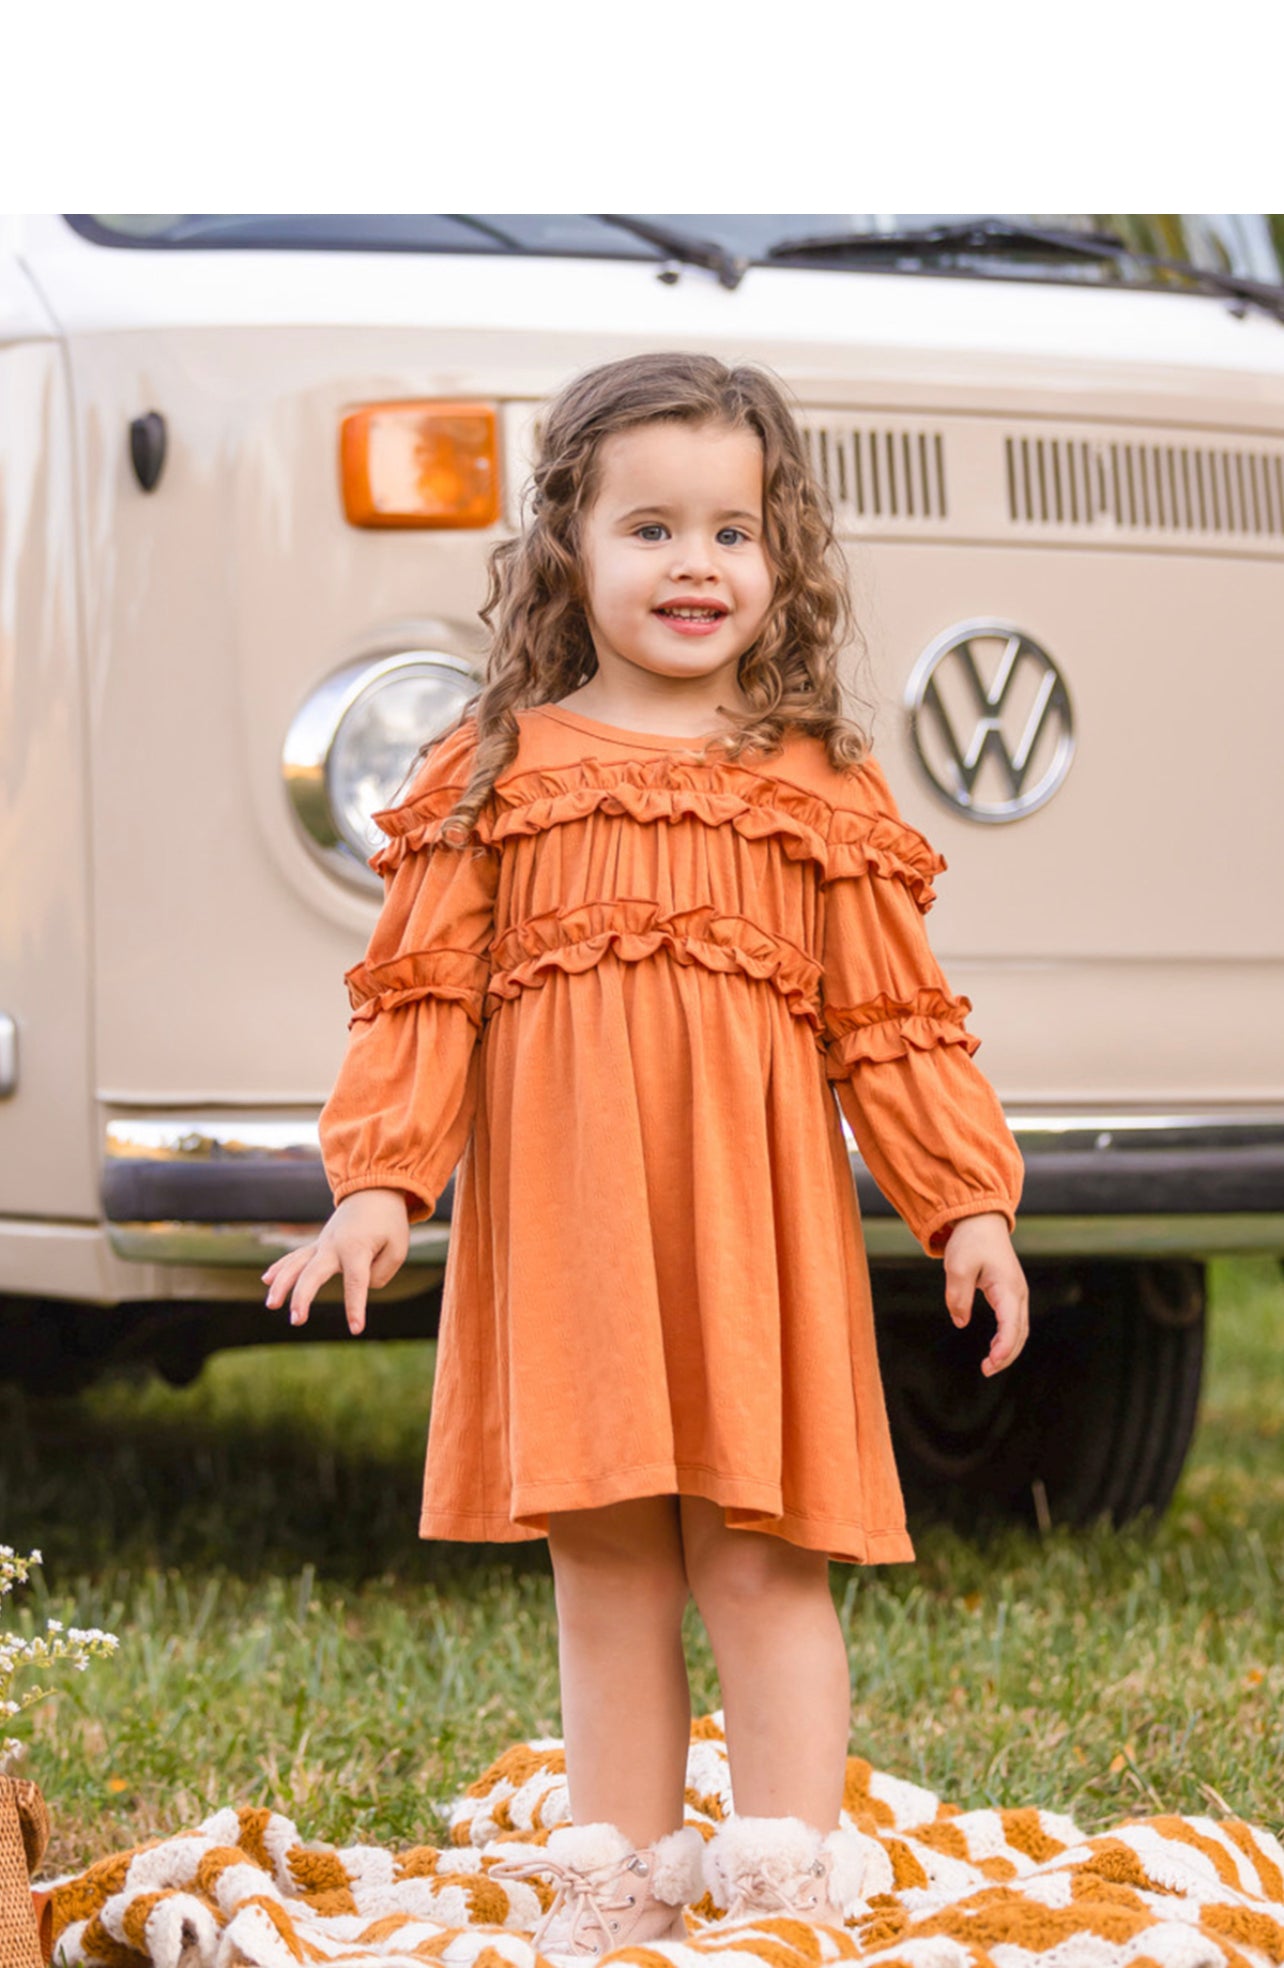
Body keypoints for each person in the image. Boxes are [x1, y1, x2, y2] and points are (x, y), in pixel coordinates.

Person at [263, 351, 1028, 1962]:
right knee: (607, 1556)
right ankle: (615, 1880)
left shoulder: (817, 789)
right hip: (573, 1240)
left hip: (755, 1243)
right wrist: (375, 1189)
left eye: (734, 532)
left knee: (760, 1553)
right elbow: (419, 1009)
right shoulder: (486, 782)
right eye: (653, 529)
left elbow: (895, 1023)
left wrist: (967, 1204)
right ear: (568, 547)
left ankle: (781, 1889)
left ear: (782, 556)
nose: (697, 565)